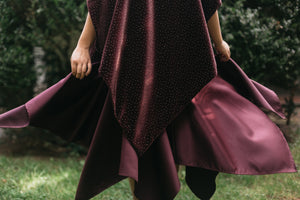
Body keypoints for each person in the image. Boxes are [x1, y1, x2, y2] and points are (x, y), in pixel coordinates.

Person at [0, 0, 297, 199]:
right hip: (131, 62)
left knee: (182, 134)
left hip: (181, 56)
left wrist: (218, 42)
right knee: (136, 134)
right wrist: (83, 45)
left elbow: (203, 3)